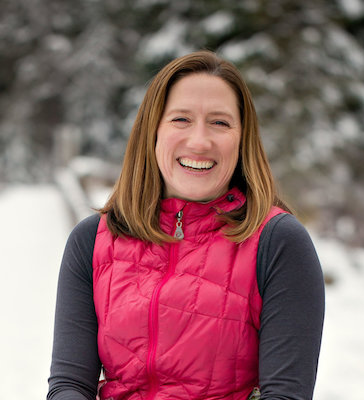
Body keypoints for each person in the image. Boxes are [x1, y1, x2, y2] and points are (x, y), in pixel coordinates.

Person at [47, 50, 324, 400]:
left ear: (242, 139)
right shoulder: (93, 240)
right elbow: (69, 384)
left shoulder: (278, 242)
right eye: (181, 119)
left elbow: (286, 395)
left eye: (220, 122)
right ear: (153, 130)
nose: (199, 141)